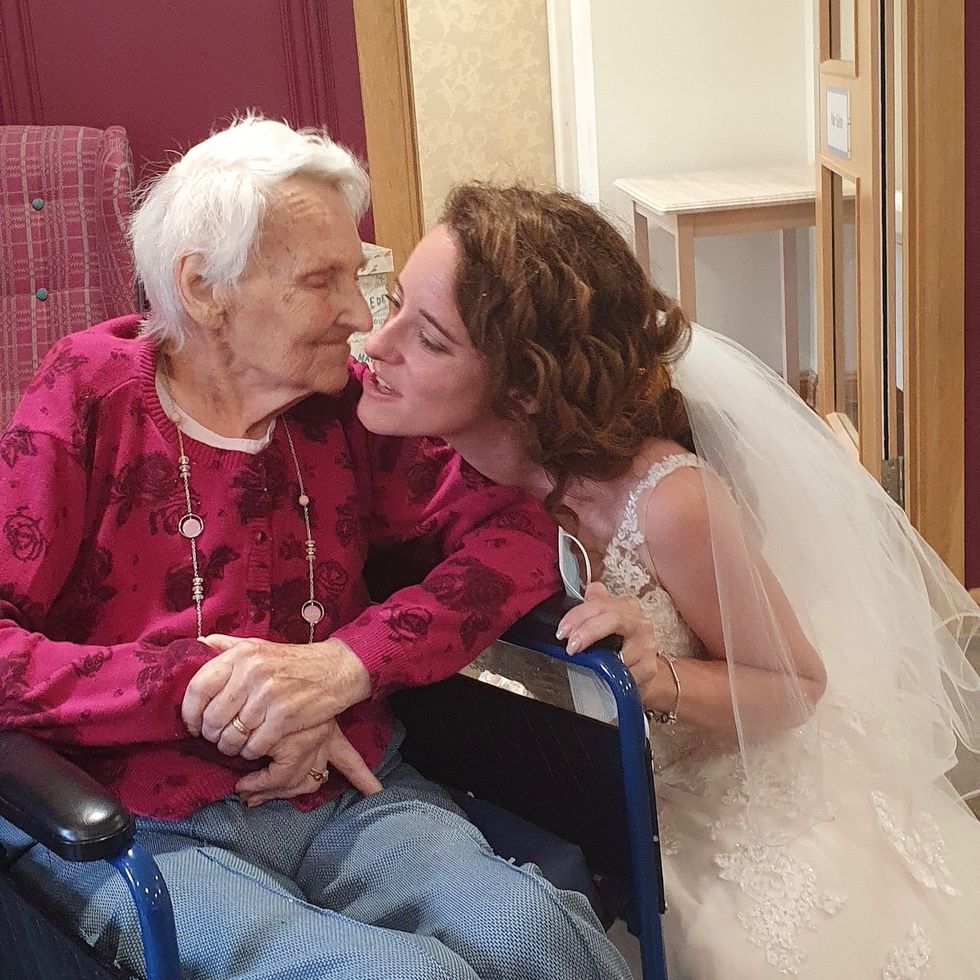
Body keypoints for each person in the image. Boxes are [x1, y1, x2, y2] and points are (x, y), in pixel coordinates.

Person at [0, 124, 632, 980]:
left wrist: (343, 667)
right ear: (205, 290)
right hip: (135, 817)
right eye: (320, 281)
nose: (362, 318)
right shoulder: (89, 396)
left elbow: (514, 537)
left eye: (358, 274)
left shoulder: (342, 409)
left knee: (531, 930)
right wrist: (209, 691)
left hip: (348, 787)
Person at [356, 182, 980, 978]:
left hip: (708, 800)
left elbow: (795, 688)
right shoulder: (414, 462)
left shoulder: (667, 503)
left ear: (523, 386)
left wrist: (659, 679)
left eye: (430, 339)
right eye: (394, 302)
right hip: (527, 795)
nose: (378, 344)